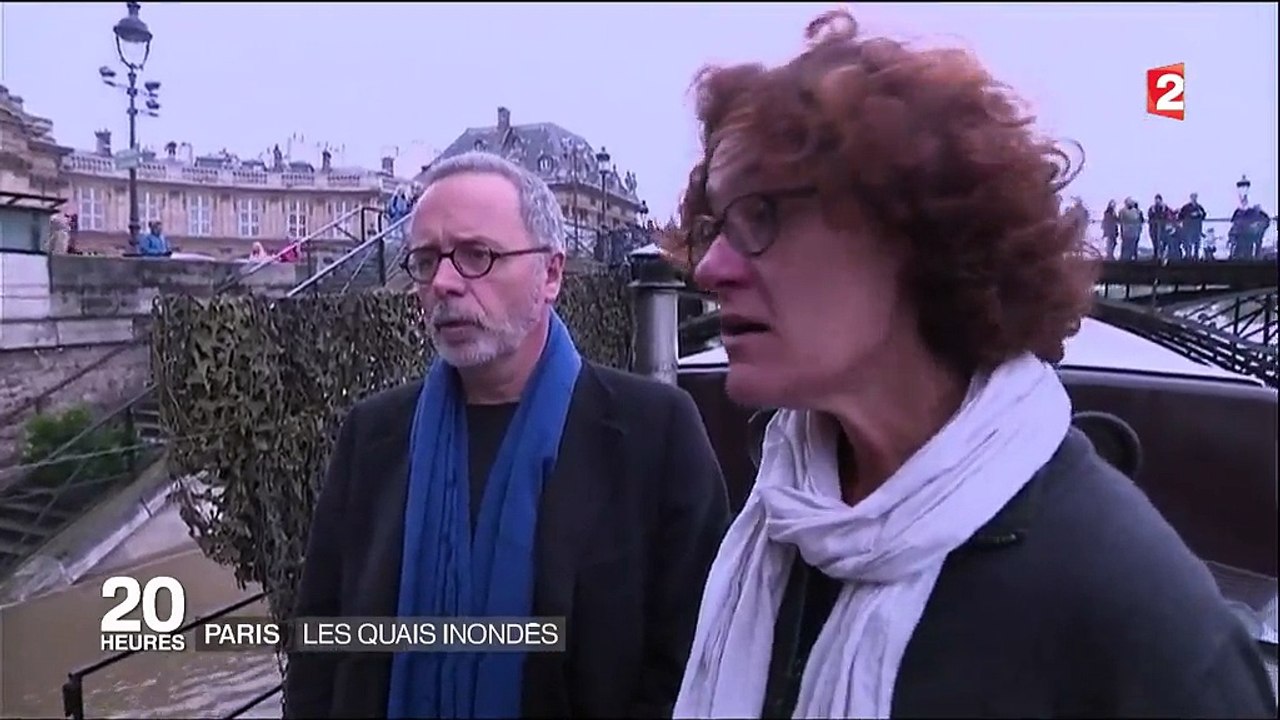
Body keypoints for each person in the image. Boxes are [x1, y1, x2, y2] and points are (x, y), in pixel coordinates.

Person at [660, 10, 1276, 719]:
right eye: (715, 225)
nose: (709, 268)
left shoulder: (1137, 614)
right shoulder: (783, 514)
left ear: (909, 231)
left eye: (759, 214)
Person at [284, 151, 730, 719]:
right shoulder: (372, 436)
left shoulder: (657, 434)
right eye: (426, 260)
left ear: (551, 274)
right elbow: (320, 648)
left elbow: (690, 664)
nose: (444, 283)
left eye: (478, 255)